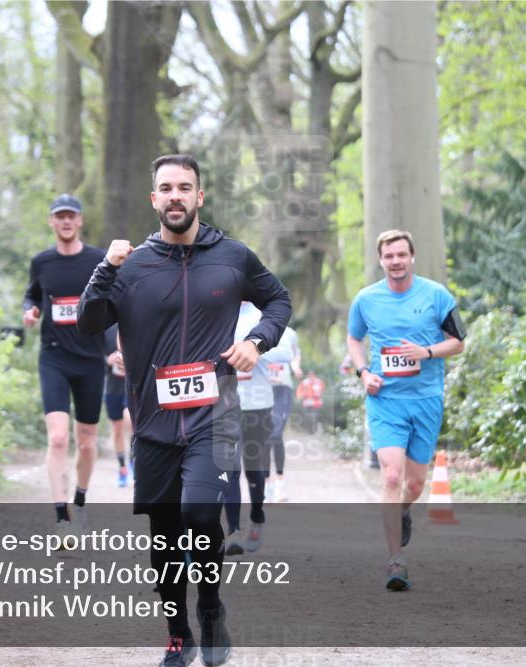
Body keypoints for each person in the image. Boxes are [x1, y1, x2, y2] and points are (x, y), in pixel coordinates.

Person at [77, 154, 291, 667]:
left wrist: (257, 342)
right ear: (154, 199)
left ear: (200, 196)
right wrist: (105, 267)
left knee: (199, 513)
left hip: (213, 416)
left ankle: (212, 607)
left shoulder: (234, 257)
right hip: (152, 422)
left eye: (185, 187)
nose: (176, 195)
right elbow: (87, 322)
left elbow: (279, 300)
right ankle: (178, 635)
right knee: (165, 539)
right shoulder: (131, 267)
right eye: (166, 188)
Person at [346, 229, 466, 591]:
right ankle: (395, 560)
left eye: (401, 255)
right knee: (393, 477)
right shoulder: (366, 300)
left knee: (414, 484)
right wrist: (363, 372)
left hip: (426, 399)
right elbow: (354, 338)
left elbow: (458, 342)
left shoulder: (436, 296)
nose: (395, 261)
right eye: (389, 256)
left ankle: (401, 510)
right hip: (385, 401)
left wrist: (426, 352)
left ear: (412, 257)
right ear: (381, 260)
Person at [23, 194, 111, 535]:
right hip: (54, 356)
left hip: (90, 359)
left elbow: (111, 303)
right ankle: (61, 517)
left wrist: (114, 347)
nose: (65, 222)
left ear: (80, 221)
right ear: (51, 222)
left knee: (87, 442)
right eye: (59, 216)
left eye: (70, 216)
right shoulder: (41, 262)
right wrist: (30, 310)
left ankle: (80, 501)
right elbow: (32, 293)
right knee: (58, 438)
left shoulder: (98, 260)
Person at [224, 302, 293, 555]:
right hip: (225, 403)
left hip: (259, 403)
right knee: (230, 466)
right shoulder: (216, 308)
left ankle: (256, 516)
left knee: (254, 469)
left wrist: (254, 347)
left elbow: (286, 352)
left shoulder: (264, 314)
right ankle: (233, 530)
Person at [263, 326, 301, 502]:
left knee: (276, 434)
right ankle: (267, 483)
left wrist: (296, 367)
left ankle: (280, 481)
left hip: (282, 389)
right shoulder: (255, 327)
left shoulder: (290, 333)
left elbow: (295, 354)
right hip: (261, 389)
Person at [104, 330, 132, 487]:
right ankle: (122, 467)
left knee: (130, 421)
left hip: (132, 386)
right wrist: (108, 360)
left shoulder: (134, 321)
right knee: (117, 430)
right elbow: (94, 354)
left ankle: (133, 460)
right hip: (112, 388)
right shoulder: (106, 328)